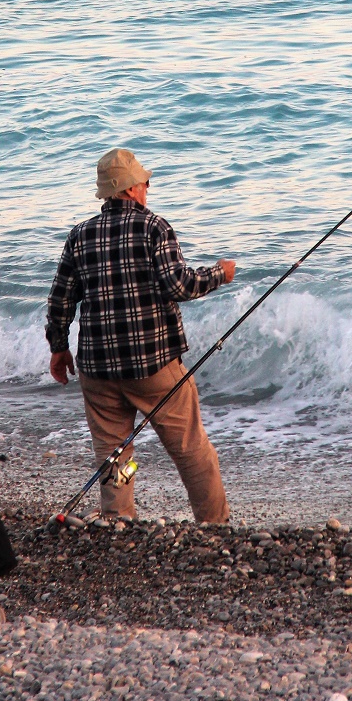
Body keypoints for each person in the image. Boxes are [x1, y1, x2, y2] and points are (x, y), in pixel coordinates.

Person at [46, 148, 234, 524]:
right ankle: (214, 524)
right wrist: (220, 274)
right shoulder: (154, 227)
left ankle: (119, 518)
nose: (148, 188)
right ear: (131, 189)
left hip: (98, 368)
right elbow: (179, 285)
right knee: (190, 450)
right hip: (153, 365)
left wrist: (58, 347)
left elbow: (61, 299)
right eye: (145, 182)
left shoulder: (80, 235)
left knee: (115, 453)